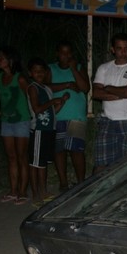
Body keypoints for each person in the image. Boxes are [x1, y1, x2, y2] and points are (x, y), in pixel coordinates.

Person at [92, 33, 127, 173]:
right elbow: (96, 93)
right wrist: (120, 93)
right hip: (107, 121)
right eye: (119, 48)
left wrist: (108, 88)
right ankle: (97, 193)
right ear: (113, 49)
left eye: (126, 48)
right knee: (101, 162)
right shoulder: (104, 68)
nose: (123, 51)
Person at [48, 41, 90, 192]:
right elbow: (45, 86)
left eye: (68, 53)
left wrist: (73, 69)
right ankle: (63, 183)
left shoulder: (78, 67)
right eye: (62, 52)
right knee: (59, 151)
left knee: (76, 150)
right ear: (57, 53)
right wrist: (66, 84)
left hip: (76, 117)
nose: (66, 56)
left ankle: (80, 183)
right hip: (57, 115)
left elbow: (85, 88)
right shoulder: (50, 68)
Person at [27, 58, 68, 208]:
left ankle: (43, 192)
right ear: (30, 73)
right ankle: (36, 194)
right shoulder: (33, 88)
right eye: (36, 71)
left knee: (42, 163)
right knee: (35, 164)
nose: (39, 73)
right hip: (39, 129)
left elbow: (53, 112)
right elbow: (37, 109)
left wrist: (62, 101)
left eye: (41, 71)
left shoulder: (47, 89)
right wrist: (52, 102)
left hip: (48, 130)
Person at [0, 45, 31, 205]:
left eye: (2, 57)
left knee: (21, 157)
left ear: (10, 60)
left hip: (22, 121)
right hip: (6, 122)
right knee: (11, 157)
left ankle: (23, 191)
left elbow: (30, 97)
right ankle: (13, 190)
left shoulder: (20, 78)